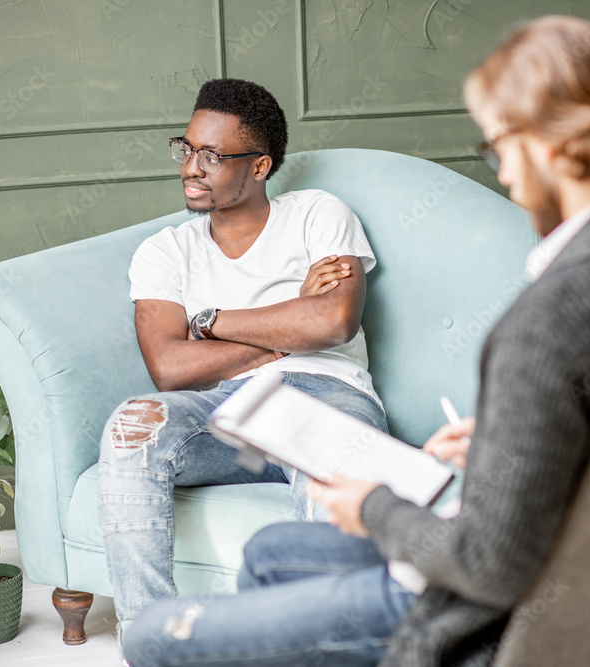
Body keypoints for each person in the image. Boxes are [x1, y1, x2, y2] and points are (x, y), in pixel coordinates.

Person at [123, 16, 590, 667]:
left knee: (151, 634)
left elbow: (489, 565)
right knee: (272, 553)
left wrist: (375, 506)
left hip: (475, 617)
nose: (504, 172)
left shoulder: (546, 321)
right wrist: (519, 438)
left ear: (555, 147)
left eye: (500, 146)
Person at [98, 77, 388, 635]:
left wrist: (208, 324)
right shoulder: (165, 251)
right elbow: (170, 368)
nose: (190, 168)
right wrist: (290, 318)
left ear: (259, 166)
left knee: (334, 473)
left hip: (325, 395)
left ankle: (318, 644)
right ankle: (152, 639)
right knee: (131, 426)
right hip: (227, 418)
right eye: (186, 149)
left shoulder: (318, 214)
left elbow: (332, 322)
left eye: (211, 155)